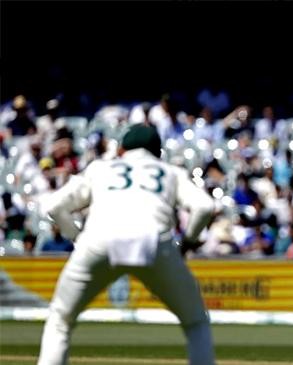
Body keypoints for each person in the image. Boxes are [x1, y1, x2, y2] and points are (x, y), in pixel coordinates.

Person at [36, 123, 216, 365]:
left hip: (99, 239)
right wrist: (187, 243)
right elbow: (205, 206)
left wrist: (76, 238)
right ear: (158, 152)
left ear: (121, 150)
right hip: (153, 241)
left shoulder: (99, 168)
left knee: (60, 320)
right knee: (195, 322)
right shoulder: (169, 171)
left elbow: (53, 206)